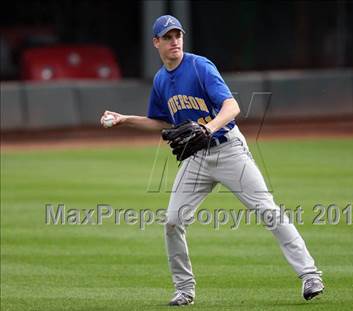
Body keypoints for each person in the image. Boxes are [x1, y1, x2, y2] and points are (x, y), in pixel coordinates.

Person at [101, 15, 324, 306]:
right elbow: (162, 122)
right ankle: (184, 289)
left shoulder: (199, 66)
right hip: (196, 158)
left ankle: (310, 274)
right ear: (156, 42)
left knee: (267, 210)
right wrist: (124, 120)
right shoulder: (160, 80)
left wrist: (208, 127)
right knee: (172, 221)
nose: (174, 42)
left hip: (228, 149)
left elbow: (232, 107)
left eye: (177, 35)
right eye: (167, 37)